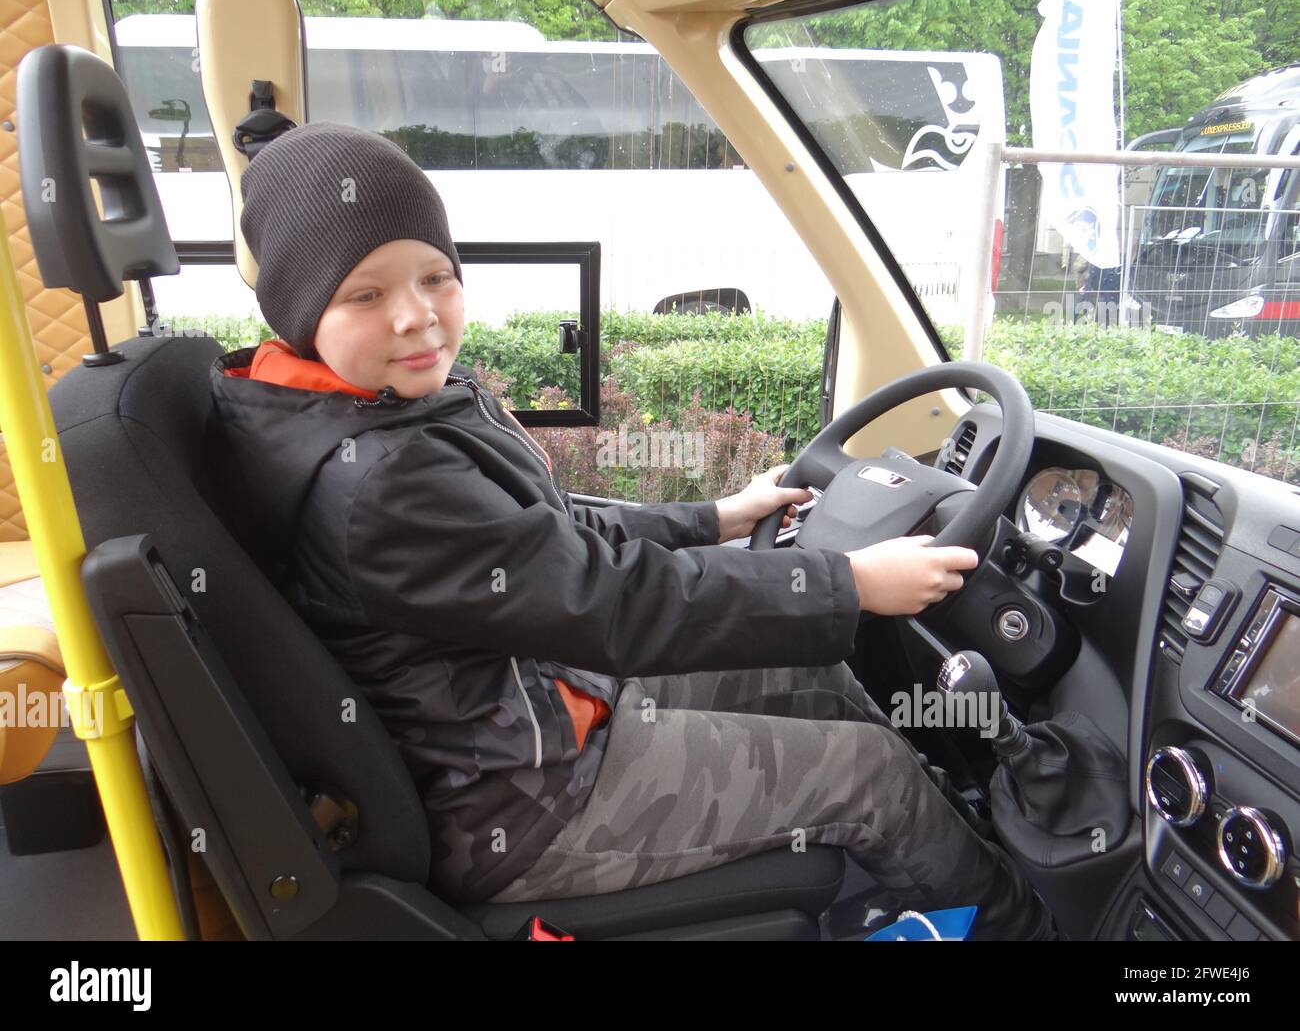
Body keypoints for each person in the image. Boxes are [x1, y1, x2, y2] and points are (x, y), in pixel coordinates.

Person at [209, 122, 1054, 939]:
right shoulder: (382, 485)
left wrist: (714, 516)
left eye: (435, 276)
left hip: (539, 711)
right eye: (366, 294)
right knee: (871, 775)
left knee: (810, 662)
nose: (417, 316)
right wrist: (853, 583)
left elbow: (546, 528)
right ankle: (1023, 926)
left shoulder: (370, 406)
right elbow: (611, 600)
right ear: (298, 307)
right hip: (521, 800)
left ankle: (943, 847)